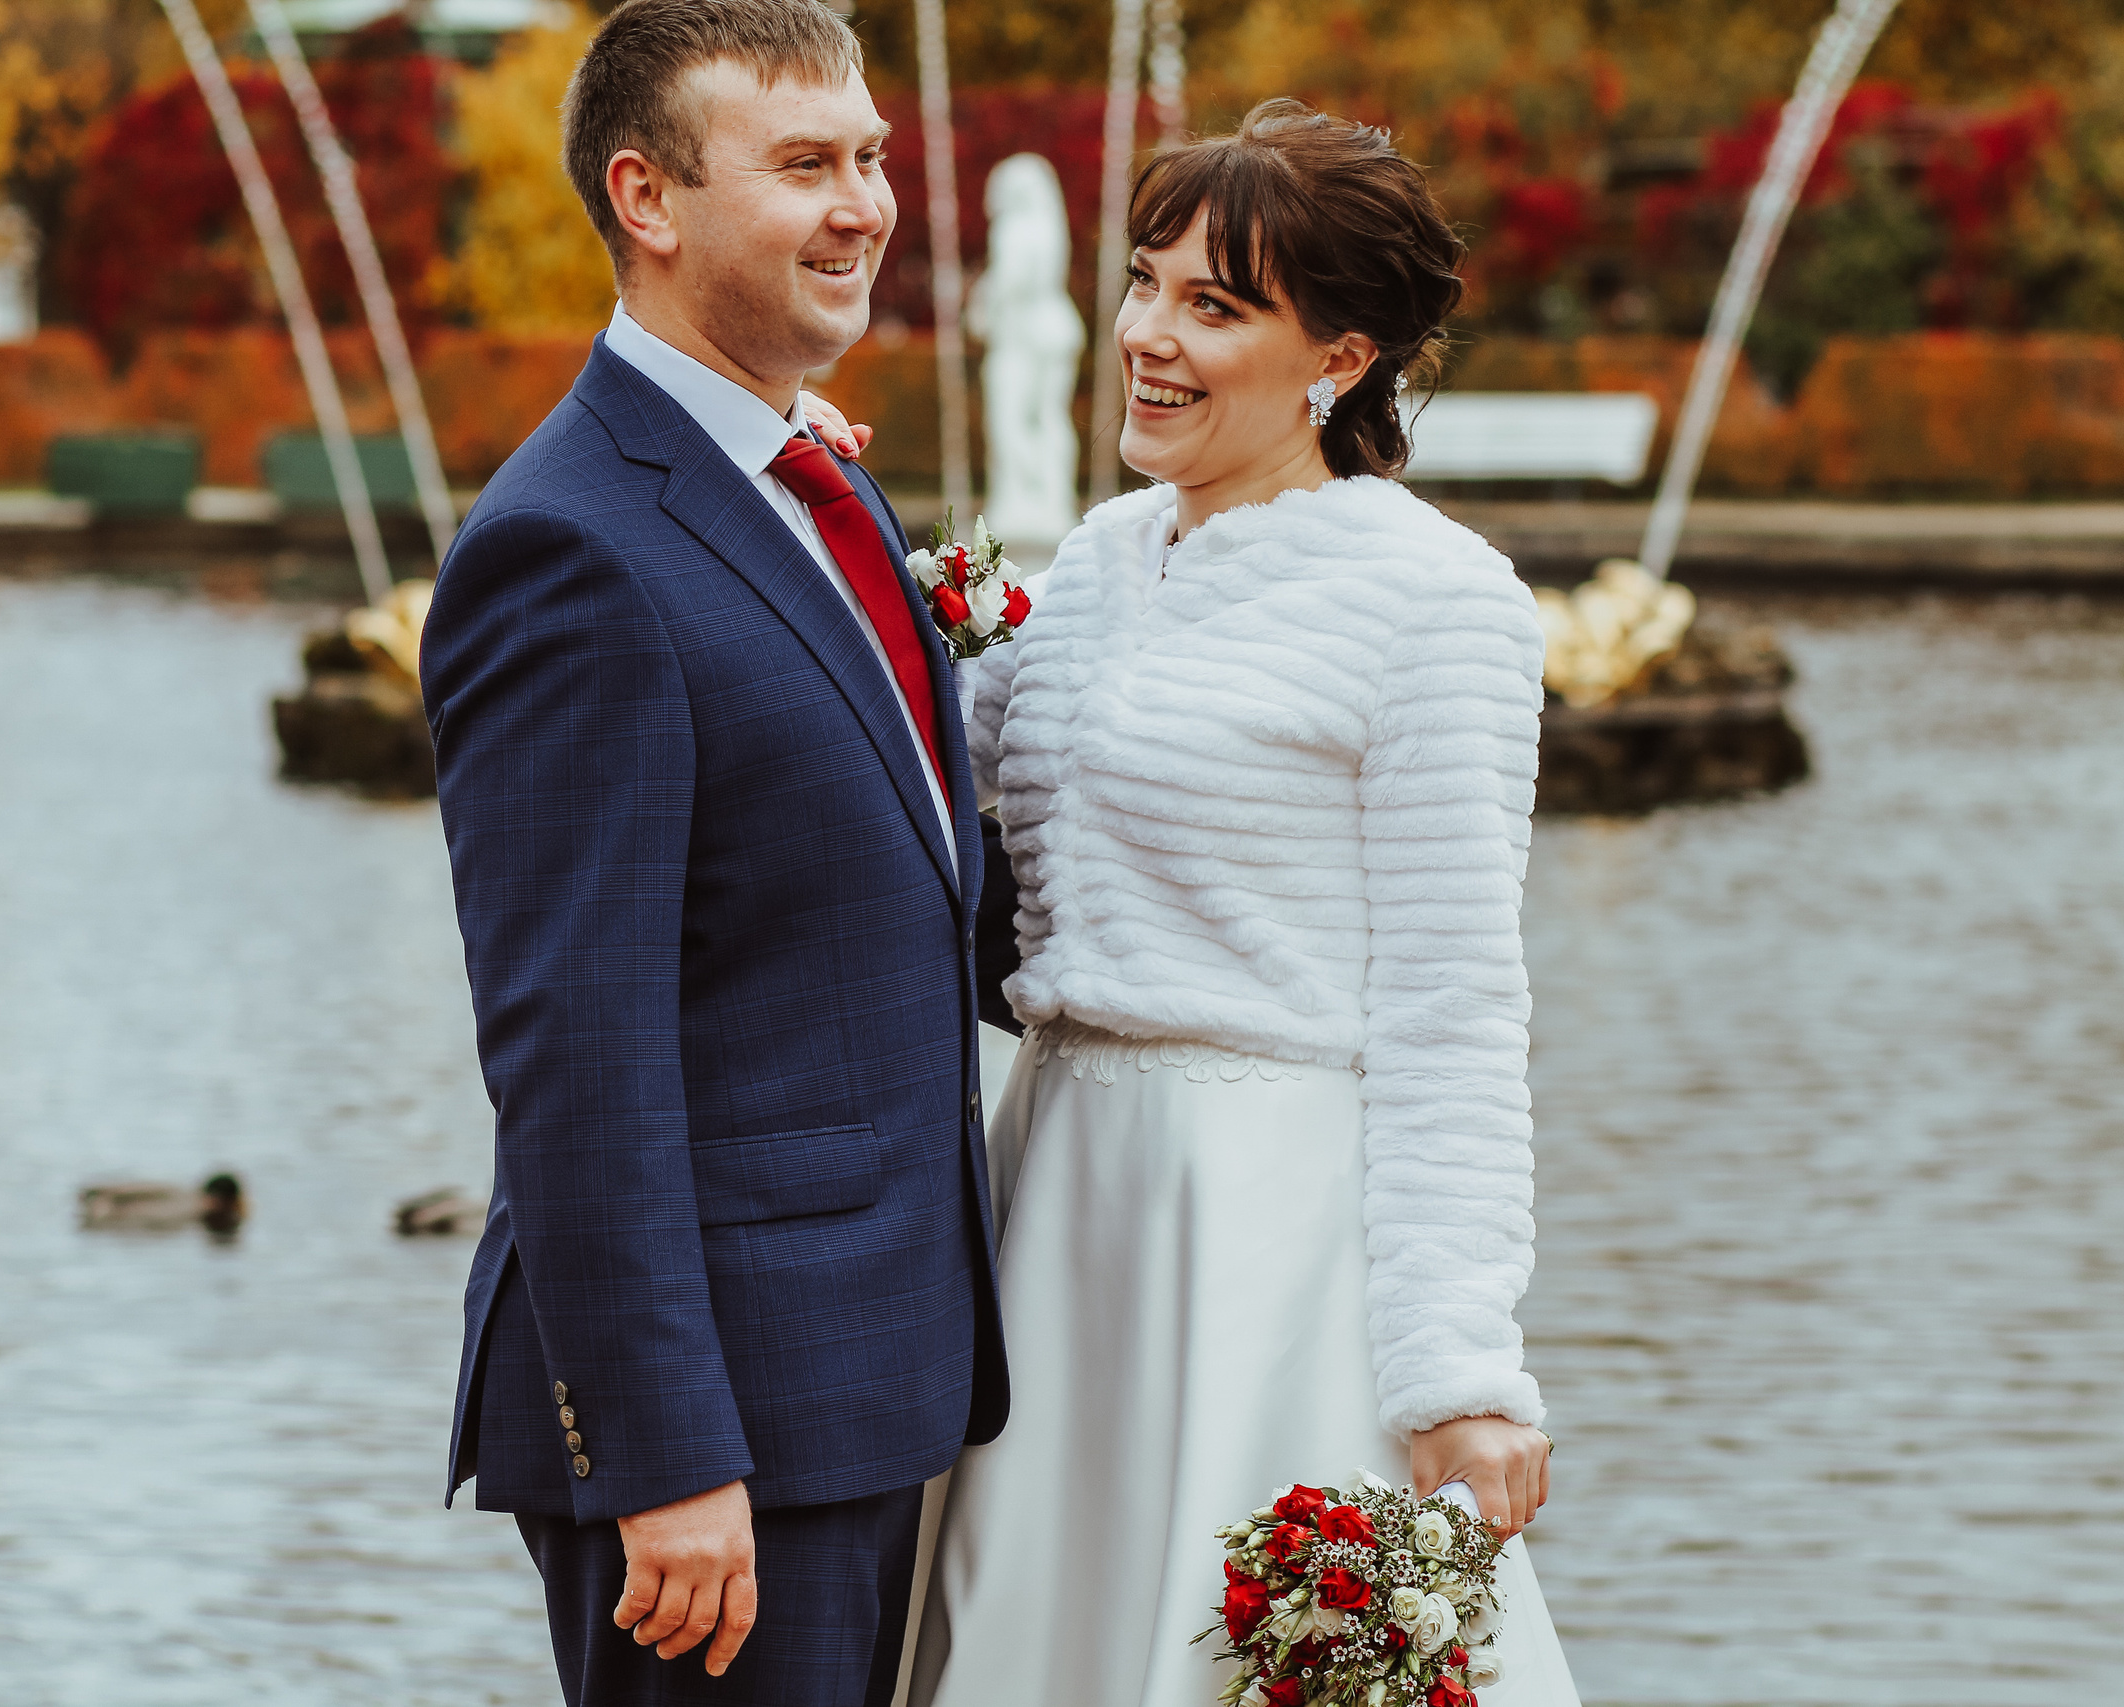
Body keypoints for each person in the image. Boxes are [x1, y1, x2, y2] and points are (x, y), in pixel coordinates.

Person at [909, 101, 1581, 1707]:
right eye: (1145, 284)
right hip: (1056, 1193)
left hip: (1270, 1228)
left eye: (1214, 306)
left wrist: (1458, 1370)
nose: (1145, 335)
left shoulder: (1433, 604)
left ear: (1340, 357)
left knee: (1241, 1642)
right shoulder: (1090, 566)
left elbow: (1453, 1009)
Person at [419, 3, 1007, 1704]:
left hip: (875, 1371)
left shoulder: (812, 486)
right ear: (649, 200)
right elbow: (573, 1054)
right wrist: (669, 1459)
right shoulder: (568, 549)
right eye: (807, 166)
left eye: (875, 159)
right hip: (721, 1440)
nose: (869, 205)